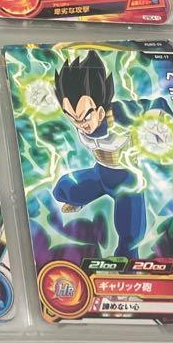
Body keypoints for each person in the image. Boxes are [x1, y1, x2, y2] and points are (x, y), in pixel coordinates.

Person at [51, 51, 145, 259]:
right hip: (100, 174)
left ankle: (128, 265)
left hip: (127, 182)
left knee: (131, 237)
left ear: (100, 111)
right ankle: (81, 200)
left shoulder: (121, 114)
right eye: (72, 118)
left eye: (84, 117)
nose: (80, 124)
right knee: (62, 189)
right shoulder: (80, 123)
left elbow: (155, 105)